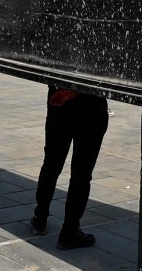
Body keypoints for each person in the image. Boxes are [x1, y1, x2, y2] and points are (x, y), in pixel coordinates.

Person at [32, 87, 110, 249]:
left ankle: (40, 217)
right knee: (81, 173)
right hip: (91, 105)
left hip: (59, 102)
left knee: (51, 164)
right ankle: (69, 230)